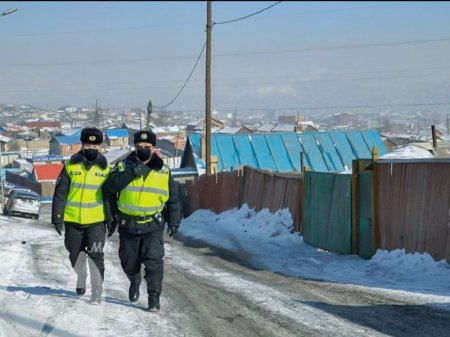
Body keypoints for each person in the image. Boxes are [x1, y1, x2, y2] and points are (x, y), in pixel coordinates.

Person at [105, 130, 180, 312]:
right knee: (128, 262)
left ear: (153, 148)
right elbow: (111, 186)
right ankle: (134, 279)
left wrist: (174, 221)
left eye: (147, 147)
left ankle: (154, 298)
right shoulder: (123, 166)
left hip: (152, 225)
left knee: (154, 262)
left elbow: (174, 198)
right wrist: (131, 173)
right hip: (128, 225)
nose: (143, 149)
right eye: (139, 147)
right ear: (135, 147)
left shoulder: (163, 171)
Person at [52, 127, 115, 305]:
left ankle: (96, 292)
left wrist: (111, 220)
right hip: (73, 221)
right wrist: (57, 216)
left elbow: (109, 198)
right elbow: (60, 192)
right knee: (75, 254)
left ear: (100, 145)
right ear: (82, 144)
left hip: (96, 222)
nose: (92, 148)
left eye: (95, 145)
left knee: (96, 255)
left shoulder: (106, 169)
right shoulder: (71, 166)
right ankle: (81, 275)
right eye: (88, 144)